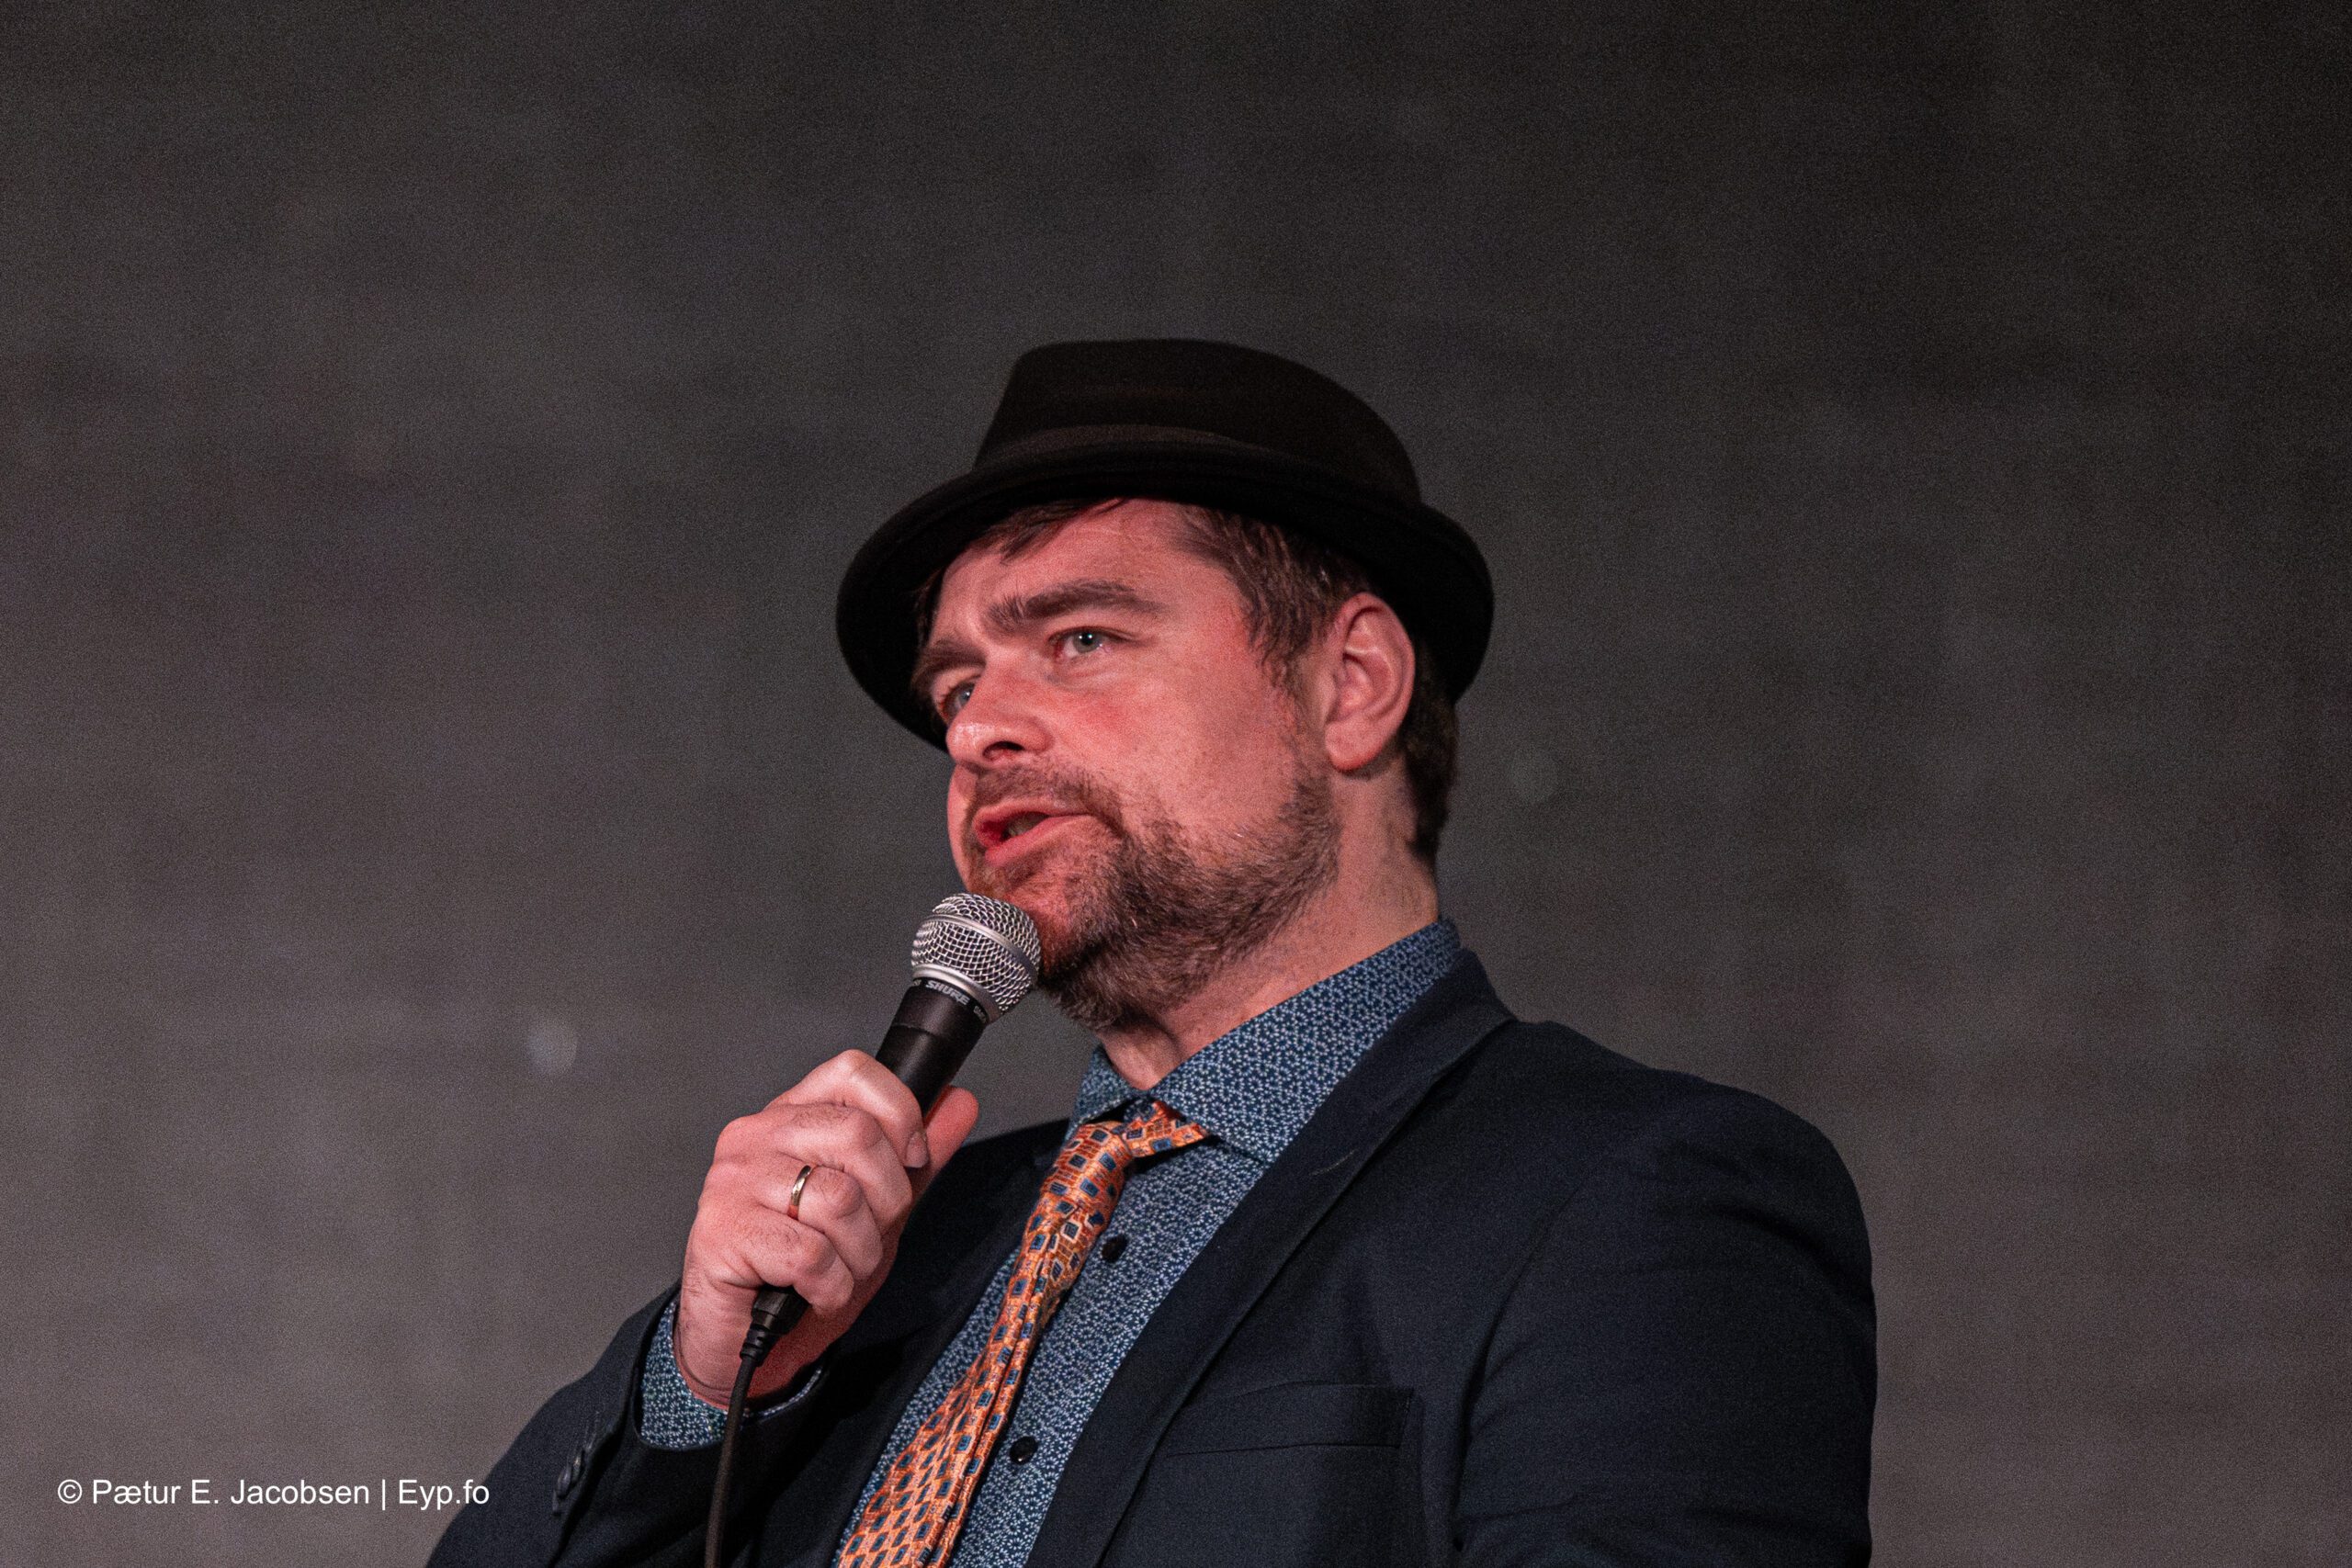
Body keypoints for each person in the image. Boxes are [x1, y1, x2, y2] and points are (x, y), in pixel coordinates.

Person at [431, 339, 1875, 1568]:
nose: (979, 731)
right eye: (957, 685)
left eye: (1079, 640)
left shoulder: (1626, 1200)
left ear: (1351, 685)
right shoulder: (883, 1254)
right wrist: (703, 1388)